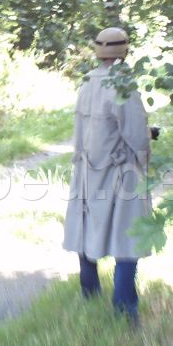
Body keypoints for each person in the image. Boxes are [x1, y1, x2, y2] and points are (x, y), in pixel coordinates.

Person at [62, 26, 152, 324]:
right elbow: (136, 136)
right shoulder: (124, 85)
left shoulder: (88, 82)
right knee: (129, 239)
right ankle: (125, 309)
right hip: (119, 172)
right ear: (125, 50)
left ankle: (89, 292)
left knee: (86, 227)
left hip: (87, 169)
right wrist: (144, 159)